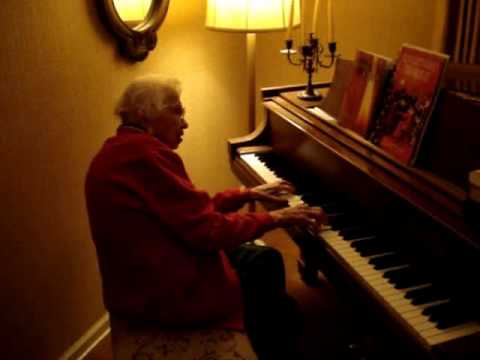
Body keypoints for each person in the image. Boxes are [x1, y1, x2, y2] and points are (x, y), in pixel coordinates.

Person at [85, 75, 326, 359]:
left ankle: (280, 329)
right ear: (145, 113)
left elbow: (185, 215)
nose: (185, 122)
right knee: (265, 265)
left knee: (265, 269)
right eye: (176, 110)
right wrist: (277, 218)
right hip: (164, 294)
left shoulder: (122, 150)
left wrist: (245, 194)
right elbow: (208, 231)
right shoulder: (144, 157)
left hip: (144, 279)